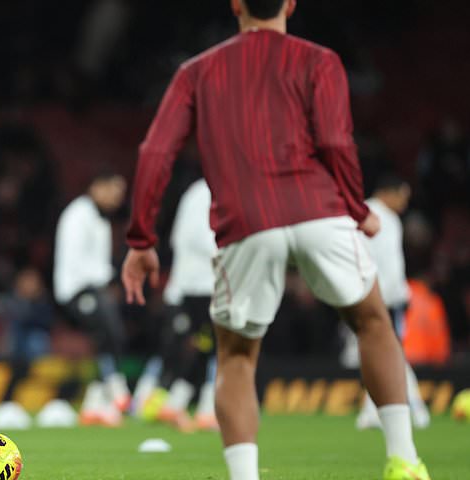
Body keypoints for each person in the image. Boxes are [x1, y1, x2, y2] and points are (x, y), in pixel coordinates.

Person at [120, 1, 428, 479]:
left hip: (247, 221)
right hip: (317, 209)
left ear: (236, 5)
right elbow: (336, 142)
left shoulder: (195, 72)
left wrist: (142, 239)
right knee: (372, 322)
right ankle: (404, 461)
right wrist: (357, 208)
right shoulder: (318, 60)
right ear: (290, 4)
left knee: (237, 356)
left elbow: (155, 152)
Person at [354, 174, 431, 430]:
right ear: (388, 192)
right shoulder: (367, 214)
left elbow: (394, 264)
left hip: (388, 299)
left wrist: (402, 293)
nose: (404, 204)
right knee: (391, 355)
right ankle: (416, 409)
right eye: (402, 197)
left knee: (383, 356)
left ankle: (372, 411)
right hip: (379, 299)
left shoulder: (390, 218)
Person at [53, 171, 131, 423]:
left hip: (94, 289)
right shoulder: (78, 215)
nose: (118, 198)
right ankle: (116, 384)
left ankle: (94, 405)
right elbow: (75, 261)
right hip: (74, 291)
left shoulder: (101, 219)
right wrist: (107, 280)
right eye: (114, 191)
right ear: (97, 187)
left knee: (105, 337)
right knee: (110, 327)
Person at [148, 178, 219, 432]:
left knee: (203, 347)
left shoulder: (198, 191)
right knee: (216, 345)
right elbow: (195, 236)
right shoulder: (205, 192)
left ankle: (175, 404)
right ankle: (207, 410)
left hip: (198, 284)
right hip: (201, 284)